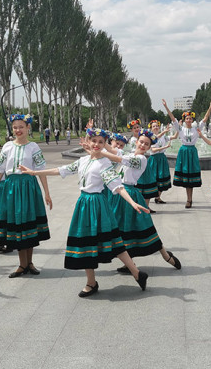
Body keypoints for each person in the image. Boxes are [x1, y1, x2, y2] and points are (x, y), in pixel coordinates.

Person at [20, 127, 150, 297]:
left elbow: (117, 186)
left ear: (104, 145)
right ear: (88, 142)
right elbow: (61, 170)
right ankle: (92, 282)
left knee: (112, 240)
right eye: (94, 141)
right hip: (83, 204)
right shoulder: (82, 160)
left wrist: (132, 202)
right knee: (84, 242)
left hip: (98, 205)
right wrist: (33, 172)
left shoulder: (104, 164)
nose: (96, 144)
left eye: (101, 142)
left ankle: (137, 273)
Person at [0, 114, 53, 278]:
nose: (18, 130)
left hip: (29, 188)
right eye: (15, 127)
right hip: (12, 189)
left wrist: (47, 193)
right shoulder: (7, 147)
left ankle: (29, 263)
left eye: (21, 127)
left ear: (28, 128)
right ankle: (22, 264)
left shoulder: (34, 147)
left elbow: (41, 171)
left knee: (28, 225)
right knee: (17, 225)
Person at [108, 128, 181, 272]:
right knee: (123, 228)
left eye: (146, 144)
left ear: (149, 147)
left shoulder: (141, 159)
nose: (142, 145)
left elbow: (118, 158)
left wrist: (97, 152)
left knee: (143, 227)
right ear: (137, 142)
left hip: (130, 193)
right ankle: (129, 263)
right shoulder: (129, 153)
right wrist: (95, 135)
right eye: (141, 142)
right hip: (119, 194)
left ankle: (166, 255)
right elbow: (112, 151)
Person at [161, 98, 211, 208]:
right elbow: (172, 118)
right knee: (186, 176)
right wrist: (166, 106)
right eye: (187, 118)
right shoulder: (180, 129)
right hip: (184, 152)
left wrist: (210, 107)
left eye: (190, 118)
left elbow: (205, 118)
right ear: (184, 120)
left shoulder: (197, 128)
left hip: (192, 152)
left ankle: (190, 199)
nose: (189, 120)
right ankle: (188, 199)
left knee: (192, 176)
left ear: (192, 120)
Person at [127, 119, 159, 212]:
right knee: (139, 185)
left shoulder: (143, 137)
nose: (136, 129)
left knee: (148, 184)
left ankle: (146, 206)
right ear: (131, 130)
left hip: (143, 162)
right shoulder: (133, 140)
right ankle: (138, 205)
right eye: (134, 128)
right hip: (135, 163)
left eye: (138, 127)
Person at [147, 120, 175, 204]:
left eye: (157, 126)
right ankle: (148, 197)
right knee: (153, 178)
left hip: (162, 158)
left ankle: (158, 197)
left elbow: (174, 137)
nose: (156, 127)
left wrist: (178, 128)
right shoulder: (150, 137)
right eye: (154, 126)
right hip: (154, 159)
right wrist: (165, 147)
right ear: (151, 128)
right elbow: (153, 150)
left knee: (162, 177)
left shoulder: (163, 137)